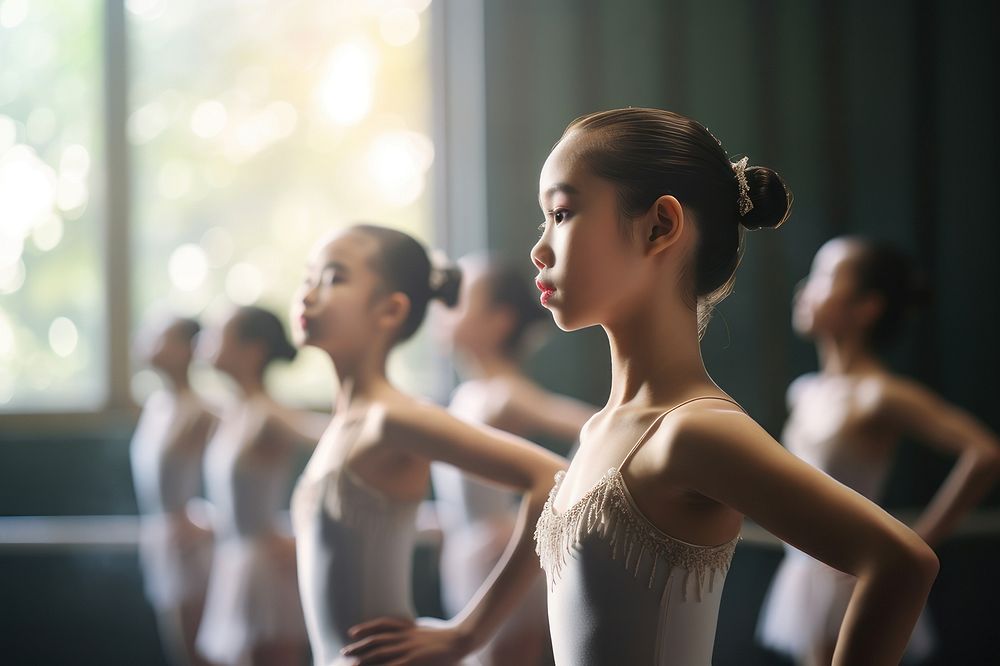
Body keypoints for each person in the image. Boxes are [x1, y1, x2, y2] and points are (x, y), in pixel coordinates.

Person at [351, 108, 941, 666]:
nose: (539, 247)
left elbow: (900, 562)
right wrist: (466, 633)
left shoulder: (694, 429)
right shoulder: (601, 427)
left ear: (660, 225)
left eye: (561, 214)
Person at [288, 224, 566, 666]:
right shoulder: (346, 424)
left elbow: (553, 479)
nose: (306, 294)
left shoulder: (394, 418)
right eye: (307, 277)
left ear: (390, 310)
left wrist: (466, 634)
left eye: (333, 278)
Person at [757, 237, 1000, 665]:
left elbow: (985, 453)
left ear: (867, 306)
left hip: (851, 576)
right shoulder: (805, 392)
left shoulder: (880, 395)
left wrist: (918, 542)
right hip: (804, 572)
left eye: (823, 278)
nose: (804, 288)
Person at [432, 255, 596, 664]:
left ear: (499, 320)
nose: (443, 310)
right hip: (468, 557)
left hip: (500, 559)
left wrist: (554, 513)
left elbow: (596, 426)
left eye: (460, 300)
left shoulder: (505, 394)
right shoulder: (467, 394)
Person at [195, 306, 324, 666]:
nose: (203, 343)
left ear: (252, 350)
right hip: (234, 558)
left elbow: (339, 441)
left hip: (263, 566)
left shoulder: (269, 414)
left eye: (217, 335)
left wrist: (305, 531)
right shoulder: (233, 411)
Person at [130, 315, 216, 666]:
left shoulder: (202, 411)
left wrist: (211, 521)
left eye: (161, 337)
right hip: (161, 538)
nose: (149, 344)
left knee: (199, 655)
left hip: (190, 547)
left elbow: (240, 477)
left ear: (187, 350)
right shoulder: (156, 406)